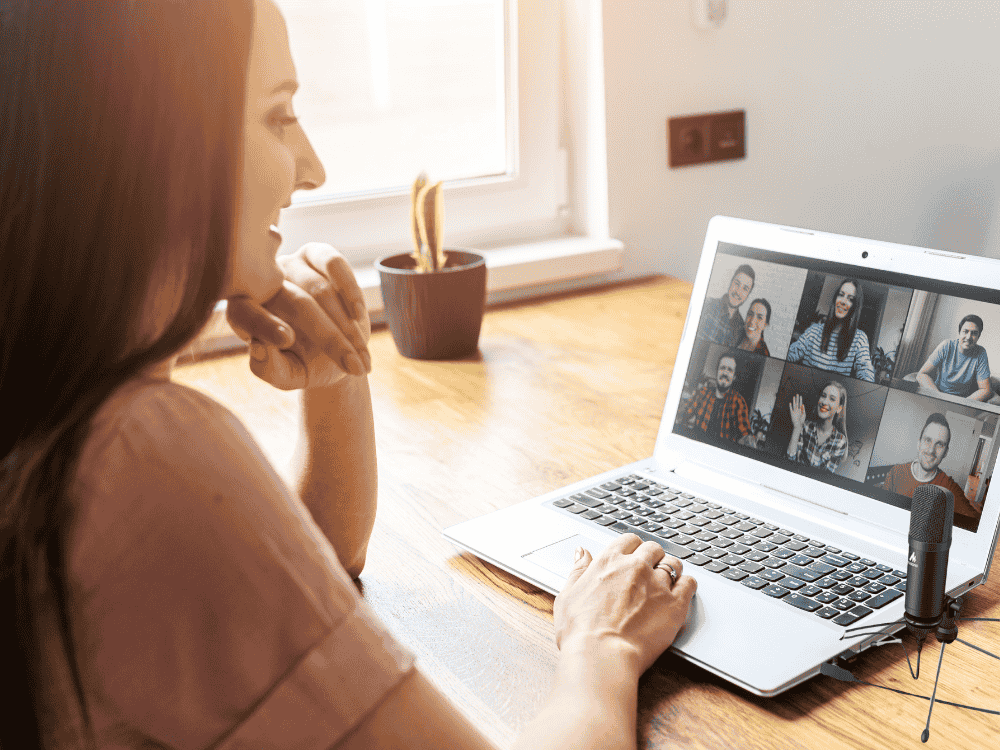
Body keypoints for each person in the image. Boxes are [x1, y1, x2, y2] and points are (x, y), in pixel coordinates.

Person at [0, 3, 697, 750]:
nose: (311, 167)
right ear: (156, 149)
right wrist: (602, 650)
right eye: (277, 116)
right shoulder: (139, 452)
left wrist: (333, 376)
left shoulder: (56, 401)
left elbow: (301, 575)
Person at [881, 414, 981, 521]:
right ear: (919, 444)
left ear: (946, 452)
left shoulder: (949, 489)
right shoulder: (896, 473)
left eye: (939, 444)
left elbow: (977, 524)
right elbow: (881, 512)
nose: (931, 451)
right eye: (928, 440)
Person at [786, 278, 875, 382]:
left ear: (855, 306)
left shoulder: (859, 338)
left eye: (850, 299)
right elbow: (791, 353)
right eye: (841, 295)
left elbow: (866, 371)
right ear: (835, 298)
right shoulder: (814, 330)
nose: (843, 301)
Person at [916, 314, 992, 401]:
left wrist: (962, 403)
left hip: (963, 400)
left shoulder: (981, 353)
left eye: (974, 333)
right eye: (965, 331)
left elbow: (985, 390)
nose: (968, 337)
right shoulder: (946, 346)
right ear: (960, 332)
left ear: (979, 336)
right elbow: (922, 374)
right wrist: (938, 397)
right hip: (938, 394)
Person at [682, 354, 752, 444]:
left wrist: (748, 440)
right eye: (722, 368)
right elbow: (684, 413)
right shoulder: (702, 392)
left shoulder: (738, 401)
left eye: (730, 370)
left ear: (734, 377)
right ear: (717, 372)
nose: (725, 373)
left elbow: (745, 433)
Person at [786, 381, 849, 473]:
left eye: (832, 399)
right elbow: (789, 461)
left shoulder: (840, 441)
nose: (824, 401)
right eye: (823, 396)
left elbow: (823, 477)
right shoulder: (805, 426)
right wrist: (797, 428)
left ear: (839, 408)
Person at [700, 264, 755, 347]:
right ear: (731, 282)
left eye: (745, 289)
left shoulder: (741, 329)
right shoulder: (706, 305)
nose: (738, 292)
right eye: (737, 283)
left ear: (748, 295)